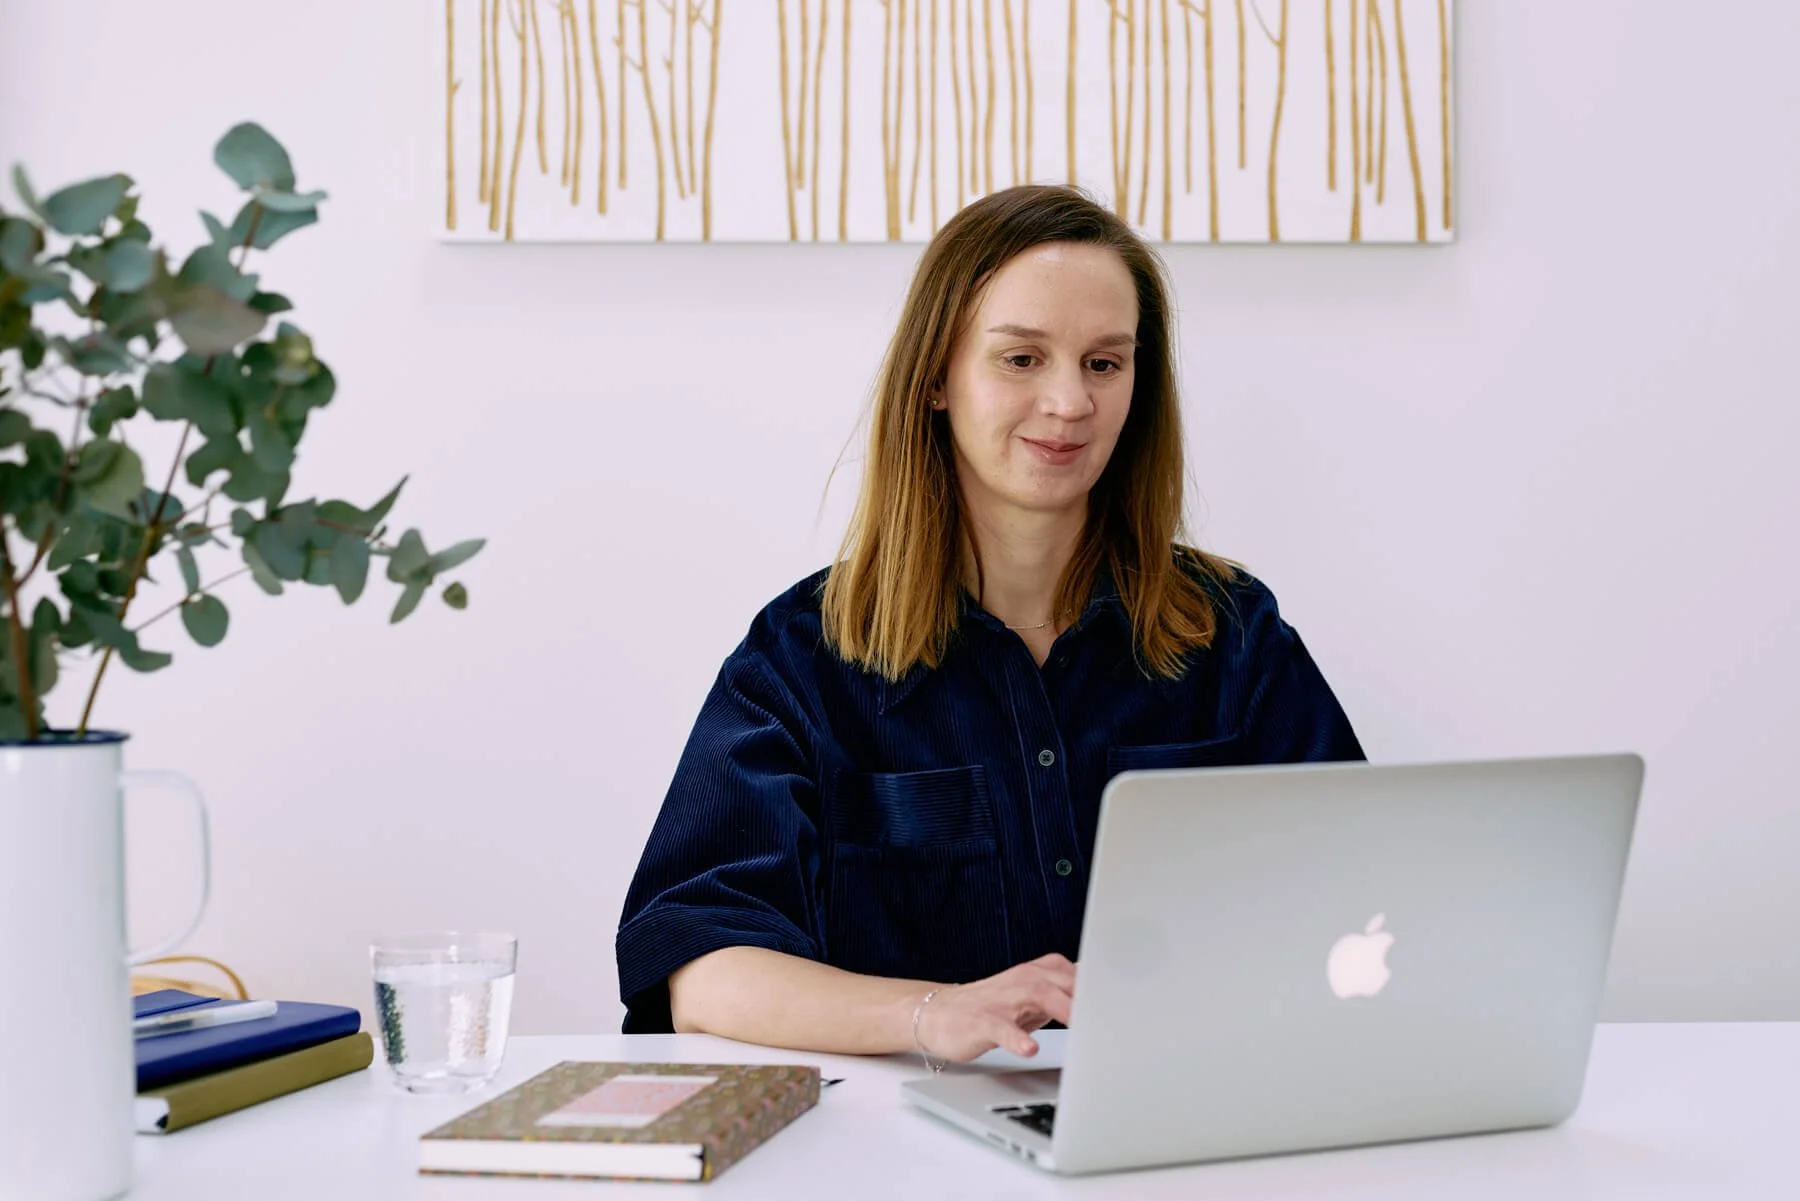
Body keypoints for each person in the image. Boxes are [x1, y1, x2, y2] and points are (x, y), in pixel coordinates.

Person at [615, 185, 1363, 1066]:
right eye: (1020, 359)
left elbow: (1362, 905)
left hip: (1190, 1126)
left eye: (1104, 363)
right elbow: (700, 973)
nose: (1069, 403)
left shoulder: (1235, 637)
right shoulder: (799, 657)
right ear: (936, 376)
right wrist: (933, 1013)